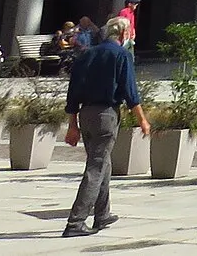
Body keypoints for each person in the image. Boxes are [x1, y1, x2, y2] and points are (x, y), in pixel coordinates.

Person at [61, 15, 150, 238]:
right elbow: (131, 93)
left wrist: (72, 126)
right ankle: (76, 222)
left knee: (103, 162)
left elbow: (73, 94)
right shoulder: (121, 55)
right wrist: (143, 121)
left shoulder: (87, 54)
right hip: (106, 115)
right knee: (96, 167)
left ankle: (103, 213)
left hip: (85, 114)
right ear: (123, 34)